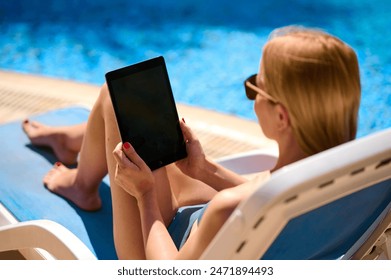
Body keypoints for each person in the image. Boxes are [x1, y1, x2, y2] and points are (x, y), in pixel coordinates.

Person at [22, 26, 361, 259]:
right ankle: (78, 143)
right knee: (150, 120)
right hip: (230, 235)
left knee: (115, 95)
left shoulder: (227, 209)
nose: (252, 96)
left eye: (256, 86)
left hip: (157, 250)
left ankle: (83, 181)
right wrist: (205, 169)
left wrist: (146, 196)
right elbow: (272, 204)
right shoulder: (355, 177)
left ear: (282, 117)